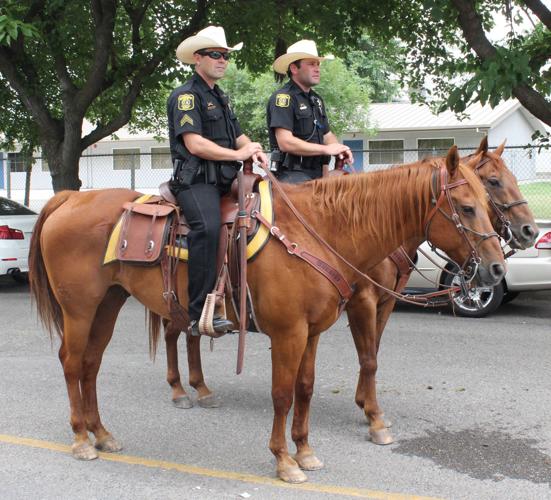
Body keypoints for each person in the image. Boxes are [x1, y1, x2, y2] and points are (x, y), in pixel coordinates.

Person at [168, 26, 268, 335]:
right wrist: (238, 155)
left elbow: (238, 136)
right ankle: (199, 314)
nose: (222, 60)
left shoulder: (219, 97)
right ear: (197, 58)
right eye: (216, 55)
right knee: (207, 229)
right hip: (196, 181)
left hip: (224, 180)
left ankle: (246, 303)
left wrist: (254, 149)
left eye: (225, 55)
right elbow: (195, 144)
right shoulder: (186, 97)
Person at [267, 40, 353, 182]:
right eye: (311, 64)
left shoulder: (316, 100)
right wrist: (326, 150)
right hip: (291, 175)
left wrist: (339, 148)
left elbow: (327, 134)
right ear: (294, 68)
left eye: (318, 64)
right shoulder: (283, 98)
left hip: (318, 172)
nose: (317, 68)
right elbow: (285, 142)